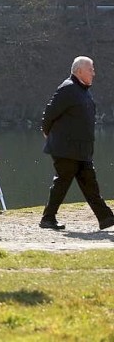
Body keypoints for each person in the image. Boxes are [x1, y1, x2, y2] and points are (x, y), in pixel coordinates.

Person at [40, 56, 114, 231]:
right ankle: (47, 219)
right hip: (66, 149)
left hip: (81, 150)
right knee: (62, 183)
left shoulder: (83, 90)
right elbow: (49, 115)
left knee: (90, 185)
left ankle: (106, 219)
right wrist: (49, 135)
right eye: (91, 69)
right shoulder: (68, 89)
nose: (94, 73)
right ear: (79, 71)